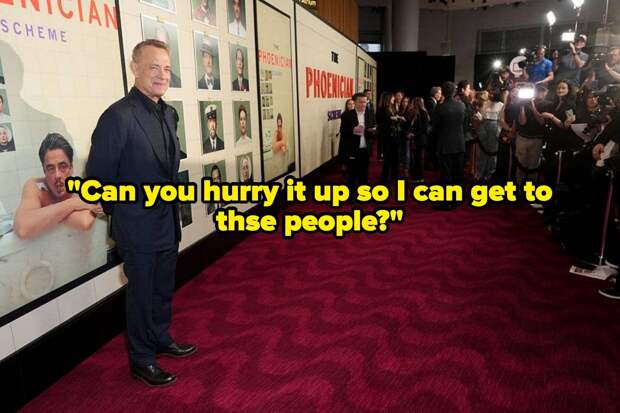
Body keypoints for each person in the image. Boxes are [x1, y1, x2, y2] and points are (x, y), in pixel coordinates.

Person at [86, 39, 196, 388]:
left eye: (167, 68)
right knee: (141, 295)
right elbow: (97, 181)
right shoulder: (117, 117)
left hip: (167, 221)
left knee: (162, 288)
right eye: (153, 67)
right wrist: (127, 213)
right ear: (135, 68)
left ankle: (160, 338)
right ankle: (142, 359)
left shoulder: (169, 113)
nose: (162, 75)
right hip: (137, 227)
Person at [14, 133, 98, 239]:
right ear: (44, 170)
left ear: (71, 167)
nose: (57, 175)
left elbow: (84, 222)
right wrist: (73, 204)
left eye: (63, 166)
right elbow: (23, 228)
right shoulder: (36, 186)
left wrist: (44, 213)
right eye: (50, 168)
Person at [432, 81, 466, 209]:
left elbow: (435, 126)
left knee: (446, 174)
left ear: (443, 92)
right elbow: (463, 122)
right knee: (458, 173)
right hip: (459, 143)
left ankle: (446, 202)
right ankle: (457, 199)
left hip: (445, 144)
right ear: (454, 91)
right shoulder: (461, 105)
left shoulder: (440, 107)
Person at [340, 92, 371, 190]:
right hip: (352, 149)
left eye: (365, 102)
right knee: (352, 175)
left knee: (364, 174)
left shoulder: (369, 114)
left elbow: (373, 125)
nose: (363, 104)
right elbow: (343, 130)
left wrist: (373, 130)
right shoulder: (347, 115)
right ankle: (351, 194)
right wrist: (353, 130)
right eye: (360, 102)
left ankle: (364, 193)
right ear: (355, 102)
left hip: (365, 149)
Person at [378, 92, 405, 183]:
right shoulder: (382, 109)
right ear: (388, 99)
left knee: (395, 157)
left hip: (395, 136)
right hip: (387, 137)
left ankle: (395, 175)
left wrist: (398, 118)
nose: (394, 99)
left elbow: (394, 118)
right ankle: (384, 178)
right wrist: (391, 119)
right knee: (387, 158)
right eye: (393, 98)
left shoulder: (392, 108)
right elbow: (381, 122)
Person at [408, 97, 430, 182]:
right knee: (416, 159)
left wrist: (414, 134)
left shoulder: (423, 113)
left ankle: (419, 177)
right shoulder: (415, 113)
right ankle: (416, 176)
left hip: (420, 139)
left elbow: (423, 128)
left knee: (418, 159)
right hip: (416, 139)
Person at [338, 98, 355, 172]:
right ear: (346, 106)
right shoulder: (344, 115)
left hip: (354, 139)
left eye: (353, 104)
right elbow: (342, 130)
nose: (351, 105)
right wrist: (353, 129)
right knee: (345, 158)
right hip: (346, 140)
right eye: (349, 104)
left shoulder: (356, 114)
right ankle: (344, 172)